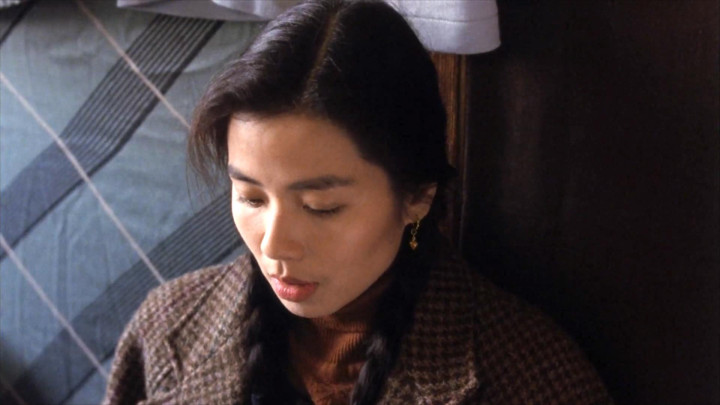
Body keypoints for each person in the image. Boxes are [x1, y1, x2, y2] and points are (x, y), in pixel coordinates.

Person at [103, 0, 613, 404]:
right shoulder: (166, 327)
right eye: (251, 197)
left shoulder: (527, 375)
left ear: (417, 196)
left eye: (321, 206)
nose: (275, 245)